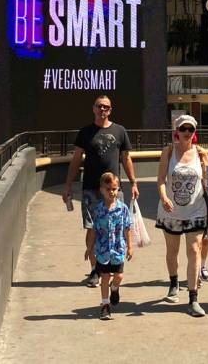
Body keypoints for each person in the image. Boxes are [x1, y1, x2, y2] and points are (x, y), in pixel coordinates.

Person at [63, 95, 139, 288]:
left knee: (118, 227)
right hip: (90, 188)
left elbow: (126, 158)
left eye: (106, 107)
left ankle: (114, 265)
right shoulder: (85, 132)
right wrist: (68, 185)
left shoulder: (120, 131)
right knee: (92, 227)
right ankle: (95, 270)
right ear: (93, 109)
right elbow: (76, 159)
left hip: (114, 190)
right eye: (99, 106)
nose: (103, 110)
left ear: (110, 110)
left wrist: (134, 182)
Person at [156, 114, 208, 317]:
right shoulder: (168, 152)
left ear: (194, 133)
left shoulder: (201, 154)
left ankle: (193, 299)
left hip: (196, 210)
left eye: (190, 130)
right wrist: (165, 197)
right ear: (177, 131)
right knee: (172, 251)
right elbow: (160, 180)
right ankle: (174, 283)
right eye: (183, 129)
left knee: (194, 250)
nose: (186, 133)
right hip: (172, 211)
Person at [86, 172, 133, 320]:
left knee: (119, 276)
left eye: (114, 188)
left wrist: (130, 246)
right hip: (102, 250)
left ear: (118, 189)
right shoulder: (98, 209)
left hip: (118, 249)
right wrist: (89, 248)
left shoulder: (123, 208)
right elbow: (93, 230)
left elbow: (127, 228)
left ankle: (115, 288)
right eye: (108, 189)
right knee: (104, 277)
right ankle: (105, 305)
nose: (112, 192)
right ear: (101, 190)